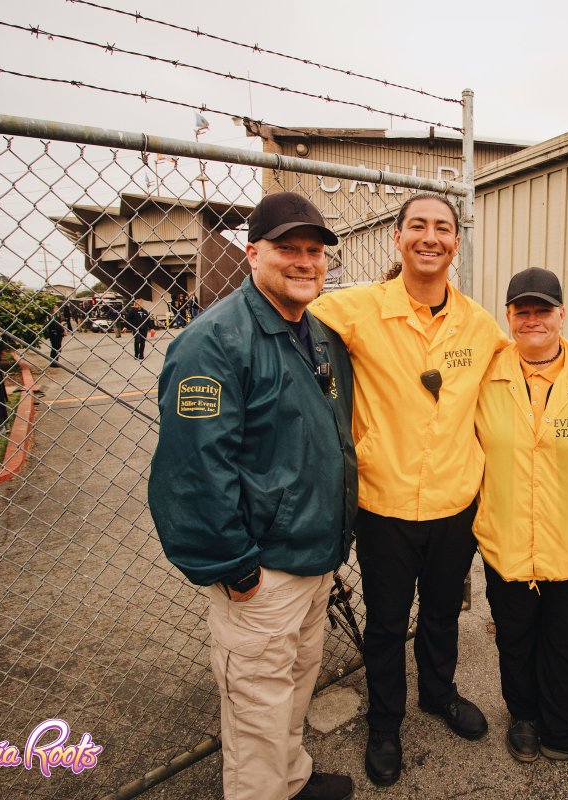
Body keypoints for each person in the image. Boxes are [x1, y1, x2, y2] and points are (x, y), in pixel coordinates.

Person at [148, 191, 358, 800]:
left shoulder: (316, 333)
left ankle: (288, 779)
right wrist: (234, 566)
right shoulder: (213, 343)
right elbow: (192, 472)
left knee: (294, 682)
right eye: (287, 249)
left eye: (314, 252)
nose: (304, 262)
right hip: (261, 570)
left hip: (314, 557)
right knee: (257, 702)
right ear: (252, 254)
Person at [309, 193, 507, 787]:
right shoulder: (353, 309)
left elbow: (524, 366)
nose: (430, 236)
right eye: (417, 225)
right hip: (385, 502)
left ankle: (438, 694)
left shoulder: (478, 324)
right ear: (397, 238)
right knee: (388, 623)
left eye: (442, 228)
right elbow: (287, 315)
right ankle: (386, 722)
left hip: (454, 501)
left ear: (455, 241)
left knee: (444, 610)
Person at [473, 267, 568, 771]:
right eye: (523, 311)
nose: (533, 319)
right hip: (506, 537)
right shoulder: (486, 373)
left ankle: (563, 728)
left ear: (562, 314)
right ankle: (523, 718)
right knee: (515, 635)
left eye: (544, 310)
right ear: (509, 317)